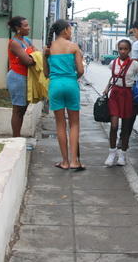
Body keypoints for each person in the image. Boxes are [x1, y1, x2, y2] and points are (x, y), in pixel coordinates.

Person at [45, 19, 85, 171]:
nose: (71, 32)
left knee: (60, 124)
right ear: (66, 30)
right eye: (70, 29)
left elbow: (46, 73)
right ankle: (75, 161)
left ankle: (65, 162)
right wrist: (73, 78)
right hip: (71, 84)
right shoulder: (73, 47)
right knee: (74, 124)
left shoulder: (48, 48)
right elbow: (80, 71)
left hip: (55, 85)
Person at [101, 39, 138, 166]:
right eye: (121, 49)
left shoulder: (134, 64)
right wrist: (107, 88)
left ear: (129, 50)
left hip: (127, 95)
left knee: (126, 127)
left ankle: (123, 155)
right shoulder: (113, 63)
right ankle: (111, 153)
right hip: (115, 95)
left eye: (125, 49)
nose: (123, 51)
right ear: (118, 49)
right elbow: (113, 77)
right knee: (114, 126)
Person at [6, 16, 37, 137]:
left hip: (25, 77)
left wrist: (34, 57)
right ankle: (16, 137)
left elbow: (35, 55)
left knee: (23, 109)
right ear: (18, 28)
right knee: (18, 110)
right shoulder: (14, 43)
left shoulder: (26, 41)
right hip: (17, 78)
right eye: (25, 26)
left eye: (28, 25)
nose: (28, 28)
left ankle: (17, 137)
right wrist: (35, 57)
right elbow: (27, 61)